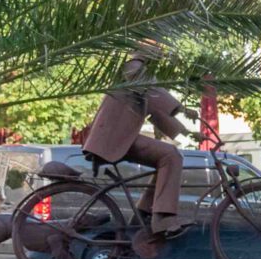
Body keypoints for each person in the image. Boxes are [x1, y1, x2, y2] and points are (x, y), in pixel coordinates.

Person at [81, 44, 196, 237]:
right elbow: (150, 89)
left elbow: (156, 112)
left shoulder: (137, 70)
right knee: (171, 155)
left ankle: (142, 217)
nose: (161, 53)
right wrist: (182, 109)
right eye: (157, 49)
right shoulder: (133, 67)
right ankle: (163, 218)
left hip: (116, 138)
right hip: (114, 138)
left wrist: (189, 133)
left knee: (165, 161)